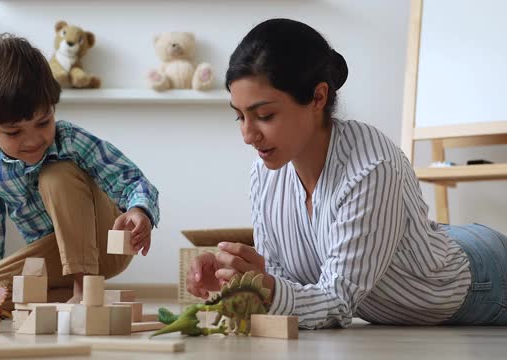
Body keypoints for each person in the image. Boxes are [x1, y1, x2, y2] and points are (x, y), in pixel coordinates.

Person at [186, 18, 507, 328]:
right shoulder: (267, 173)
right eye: (239, 116)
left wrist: (266, 287)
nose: (247, 134)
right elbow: (289, 284)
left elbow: (336, 302)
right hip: (428, 244)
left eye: (265, 115)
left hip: (483, 278)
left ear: (318, 97)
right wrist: (243, 278)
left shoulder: (371, 168)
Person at [0, 34, 159, 305]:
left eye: (43, 123)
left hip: (104, 243)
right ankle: (73, 297)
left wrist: (140, 210)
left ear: (53, 108)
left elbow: (131, 179)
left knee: (55, 174)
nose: (33, 140)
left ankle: (84, 290)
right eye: (14, 132)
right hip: (55, 255)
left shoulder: (70, 140)